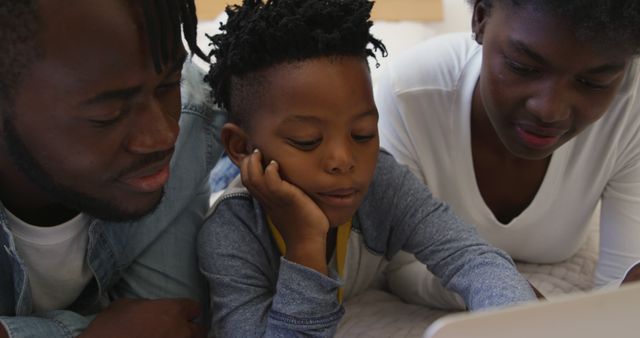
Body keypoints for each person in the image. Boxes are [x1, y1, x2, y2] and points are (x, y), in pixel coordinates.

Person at [197, 0, 537, 337]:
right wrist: (305, 244)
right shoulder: (230, 234)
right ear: (242, 147)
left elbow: (471, 257)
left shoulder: (380, 181)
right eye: (307, 140)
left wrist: (517, 323)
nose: (343, 159)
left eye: (362, 134)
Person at [375, 0, 640, 307]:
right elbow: (402, 266)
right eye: (523, 68)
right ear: (480, 19)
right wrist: (502, 292)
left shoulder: (630, 110)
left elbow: (625, 289)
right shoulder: (408, 95)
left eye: (593, 83)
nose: (549, 111)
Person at [0, 0, 225, 337]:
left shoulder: (189, 126)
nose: (163, 136)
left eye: (167, 85)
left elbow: (172, 323)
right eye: (107, 114)